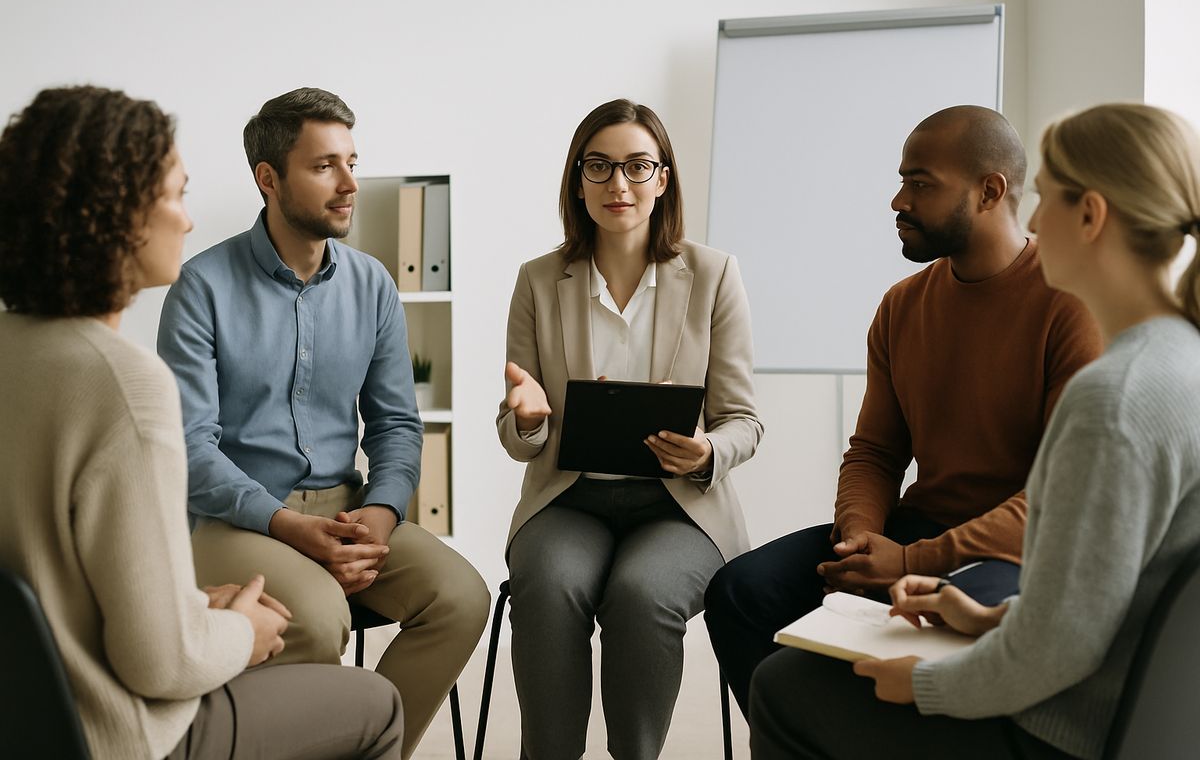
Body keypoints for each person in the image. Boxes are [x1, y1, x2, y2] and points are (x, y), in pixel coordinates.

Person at [750, 102, 1200, 760]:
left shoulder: (1114, 399)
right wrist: (988, 618)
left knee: (783, 687)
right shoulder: (1178, 357)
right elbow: (1094, 598)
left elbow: (1058, 651)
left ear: (1092, 215)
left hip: (1055, 731)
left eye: (1046, 197)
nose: (1036, 219)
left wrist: (926, 684)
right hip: (1121, 713)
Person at [0, 86, 404, 759]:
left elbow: (65, 580)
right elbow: (161, 663)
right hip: (122, 731)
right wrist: (243, 629)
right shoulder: (126, 385)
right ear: (117, 215)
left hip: (27, 722)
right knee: (376, 705)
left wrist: (196, 606)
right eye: (177, 195)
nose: (188, 221)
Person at [704, 105, 1104, 715]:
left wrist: (913, 561)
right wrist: (860, 537)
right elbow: (876, 451)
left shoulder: (1068, 302)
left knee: (914, 632)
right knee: (739, 591)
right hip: (918, 530)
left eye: (920, 184)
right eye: (901, 181)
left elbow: (1059, 499)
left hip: (1017, 550)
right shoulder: (902, 305)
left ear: (989, 191)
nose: (897, 201)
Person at [156, 87, 488, 759]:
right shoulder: (202, 287)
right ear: (269, 179)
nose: (349, 184)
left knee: (461, 597)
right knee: (315, 616)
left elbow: (396, 424)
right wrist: (289, 527)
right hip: (237, 522)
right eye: (325, 166)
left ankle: (368, 746)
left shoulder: (372, 286)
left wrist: (384, 513)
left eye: (351, 162)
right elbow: (190, 449)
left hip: (347, 509)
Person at [497, 98, 763, 759]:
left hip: (679, 507)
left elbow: (744, 421)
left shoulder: (713, 275)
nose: (619, 185)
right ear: (577, 179)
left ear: (664, 178)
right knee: (549, 586)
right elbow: (515, 432)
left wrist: (705, 451)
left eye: (638, 166)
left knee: (641, 596)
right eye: (600, 166)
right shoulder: (538, 280)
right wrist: (526, 419)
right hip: (570, 496)